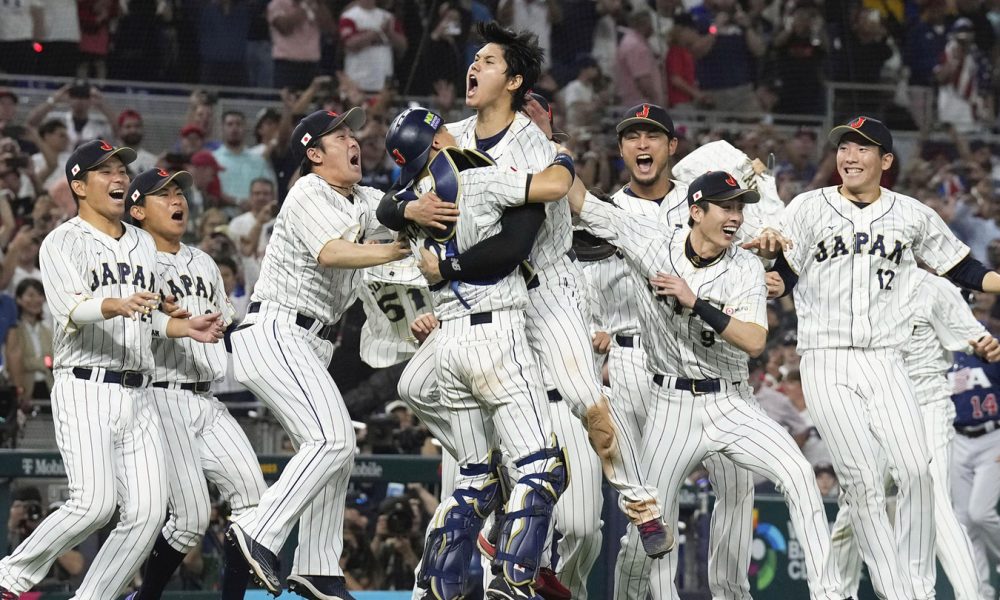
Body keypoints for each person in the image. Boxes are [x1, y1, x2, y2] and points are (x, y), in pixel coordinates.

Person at [752, 115, 1000, 600]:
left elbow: (963, 268)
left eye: (862, 148)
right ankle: (900, 593)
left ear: (884, 161)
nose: (849, 155)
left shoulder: (910, 213)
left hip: (887, 362)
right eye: (844, 147)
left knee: (918, 473)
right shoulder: (808, 206)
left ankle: (914, 585)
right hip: (827, 359)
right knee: (863, 484)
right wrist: (774, 272)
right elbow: (784, 267)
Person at [570, 170, 846, 600]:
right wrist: (545, 147)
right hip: (671, 406)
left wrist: (694, 301)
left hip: (731, 400)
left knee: (798, 473)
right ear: (696, 212)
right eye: (727, 206)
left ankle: (831, 594)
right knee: (648, 534)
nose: (736, 216)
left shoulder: (745, 267)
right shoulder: (653, 244)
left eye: (740, 207)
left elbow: (755, 340)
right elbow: (583, 203)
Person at [0, 139, 224, 599]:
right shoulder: (62, 240)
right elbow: (71, 308)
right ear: (78, 186)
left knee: (146, 513)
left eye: (122, 169)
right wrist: (113, 303)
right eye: (106, 171)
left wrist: (186, 329)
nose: (120, 177)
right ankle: (10, 577)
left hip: (139, 390)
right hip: (86, 384)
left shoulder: (143, 241)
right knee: (94, 504)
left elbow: (151, 314)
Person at [383, 106, 574, 600]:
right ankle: (512, 582)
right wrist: (564, 158)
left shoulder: (411, 199)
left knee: (474, 476)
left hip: (448, 344)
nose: (451, 130)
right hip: (497, 335)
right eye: (441, 128)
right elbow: (552, 188)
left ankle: (435, 588)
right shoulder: (482, 179)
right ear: (435, 140)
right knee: (540, 467)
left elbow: (386, 207)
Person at [226, 108, 409, 600]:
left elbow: (396, 210)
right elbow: (332, 251)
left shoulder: (361, 197)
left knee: (335, 449)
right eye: (342, 136)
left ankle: (317, 568)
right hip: (277, 329)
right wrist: (394, 251)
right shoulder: (308, 190)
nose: (355, 140)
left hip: (311, 342)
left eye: (354, 133)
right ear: (314, 154)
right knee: (332, 440)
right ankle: (257, 532)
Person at [579, 103, 755, 600]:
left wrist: (770, 272)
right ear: (621, 150)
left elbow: (748, 251)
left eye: (652, 136)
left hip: (711, 352)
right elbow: (581, 288)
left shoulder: (708, 200)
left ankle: (731, 594)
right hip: (635, 359)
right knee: (655, 504)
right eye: (632, 137)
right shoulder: (607, 215)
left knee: (738, 485)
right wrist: (596, 331)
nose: (642, 145)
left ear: (672, 148)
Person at [123, 167, 268, 600]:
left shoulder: (203, 260)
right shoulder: (133, 258)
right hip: (161, 393)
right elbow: (130, 324)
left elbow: (226, 320)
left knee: (254, 502)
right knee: (189, 520)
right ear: (137, 210)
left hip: (209, 396)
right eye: (162, 195)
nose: (176, 200)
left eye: (179, 193)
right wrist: (169, 319)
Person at [829, 271, 1000, 600]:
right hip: (882, 408)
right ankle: (837, 593)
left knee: (937, 507)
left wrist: (985, 346)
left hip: (927, 404)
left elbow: (980, 340)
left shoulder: (934, 287)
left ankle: (972, 595)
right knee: (857, 503)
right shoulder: (859, 284)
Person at [950, 347, 1000, 600]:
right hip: (957, 439)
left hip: (993, 436)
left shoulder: (991, 347)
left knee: (980, 513)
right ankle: (979, 593)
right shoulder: (937, 355)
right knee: (965, 523)